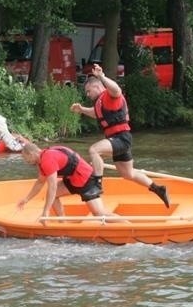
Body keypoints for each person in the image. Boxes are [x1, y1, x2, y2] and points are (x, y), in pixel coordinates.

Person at [70, 65, 170, 207]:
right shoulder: (99, 103)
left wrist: (102, 76)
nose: (87, 95)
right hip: (118, 140)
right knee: (127, 174)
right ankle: (157, 188)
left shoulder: (110, 95)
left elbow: (117, 90)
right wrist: (81, 109)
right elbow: (95, 113)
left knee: (94, 150)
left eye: (88, 91)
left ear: (97, 87)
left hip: (121, 138)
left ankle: (97, 184)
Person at [17, 141, 113, 222]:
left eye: (27, 159)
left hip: (86, 179)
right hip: (72, 179)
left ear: (31, 154)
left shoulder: (47, 160)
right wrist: (26, 199)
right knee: (53, 195)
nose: (27, 162)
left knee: (99, 214)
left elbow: (52, 186)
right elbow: (40, 183)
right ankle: (62, 222)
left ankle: (126, 225)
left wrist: (46, 211)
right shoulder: (43, 158)